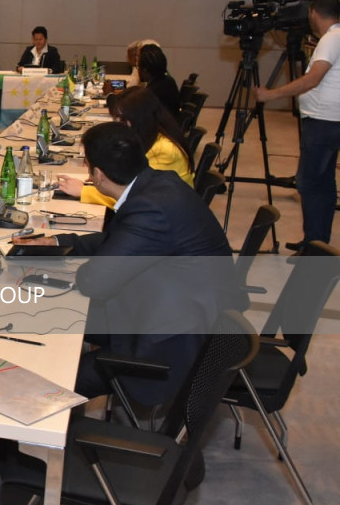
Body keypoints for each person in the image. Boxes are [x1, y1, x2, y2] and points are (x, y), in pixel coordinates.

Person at [16, 122, 241, 405]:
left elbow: (94, 282)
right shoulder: (159, 184)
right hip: (169, 309)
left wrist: (66, 270)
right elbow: (122, 239)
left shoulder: (150, 209)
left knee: (49, 380)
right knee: (50, 315)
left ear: (98, 174)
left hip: (167, 348)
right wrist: (58, 242)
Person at [257, 0, 340, 248]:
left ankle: (314, 245)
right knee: (323, 183)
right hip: (330, 121)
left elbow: (312, 79)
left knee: (309, 183)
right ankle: (317, 242)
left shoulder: (331, 38)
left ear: (313, 13)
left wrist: (271, 94)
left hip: (323, 121)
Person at [57, 86, 193, 206]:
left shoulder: (164, 150)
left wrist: (83, 191)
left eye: (121, 119)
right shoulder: (150, 136)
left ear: (139, 118)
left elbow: (132, 195)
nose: (117, 124)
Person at [137, 44, 180, 119]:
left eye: (139, 67)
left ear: (145, 70)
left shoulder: (151, 92)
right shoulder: (168, 81)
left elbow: (138, 115)